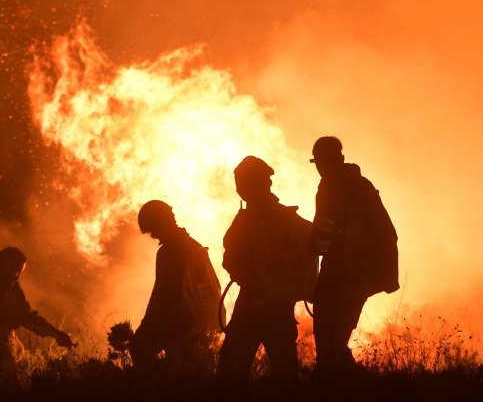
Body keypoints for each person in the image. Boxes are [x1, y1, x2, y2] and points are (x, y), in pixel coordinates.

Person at [216, 156, 317, 383]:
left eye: (241, 183)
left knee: (231, 369)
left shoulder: (250, 220)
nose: (239, 188)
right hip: (278, 304)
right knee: (285, 371)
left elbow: (231, 259)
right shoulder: (289, 219)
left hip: (253, 303)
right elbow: (312, 243)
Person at [309, 136, 399, 374]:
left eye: (320, 161)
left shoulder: (329, 186)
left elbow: (324, 231)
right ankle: (347, 382)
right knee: (339, 333)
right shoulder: (361, 184)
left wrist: (311, 247)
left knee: (328, 330)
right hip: (365, 270)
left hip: (342, 267)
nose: (319, 167)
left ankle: (331, 385)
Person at [131, 200, 223, 375]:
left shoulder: (169, 252)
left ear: (158, 224)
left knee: (140, 347)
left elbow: (162, 294)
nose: (153, 235)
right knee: (190, 368)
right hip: (200, 319)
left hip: (180, 320)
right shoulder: (193, 245)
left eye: (152, 229)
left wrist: (147, 325)